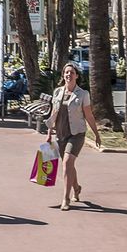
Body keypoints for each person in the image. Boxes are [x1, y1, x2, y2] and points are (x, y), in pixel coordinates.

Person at [46, 63, 101, 210]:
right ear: (63, 75)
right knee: (69, 165)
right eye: (66, 72)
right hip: (60, 134)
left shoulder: (83, 94)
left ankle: (66, 198)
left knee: (66, 163)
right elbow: (53, 114)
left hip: (76, 134)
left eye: (71, 72)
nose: (68, 75)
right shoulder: (57, 92)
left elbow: (88, 115)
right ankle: (76, 187)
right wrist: (49, 132)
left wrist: (96, 133)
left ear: (77, 75)